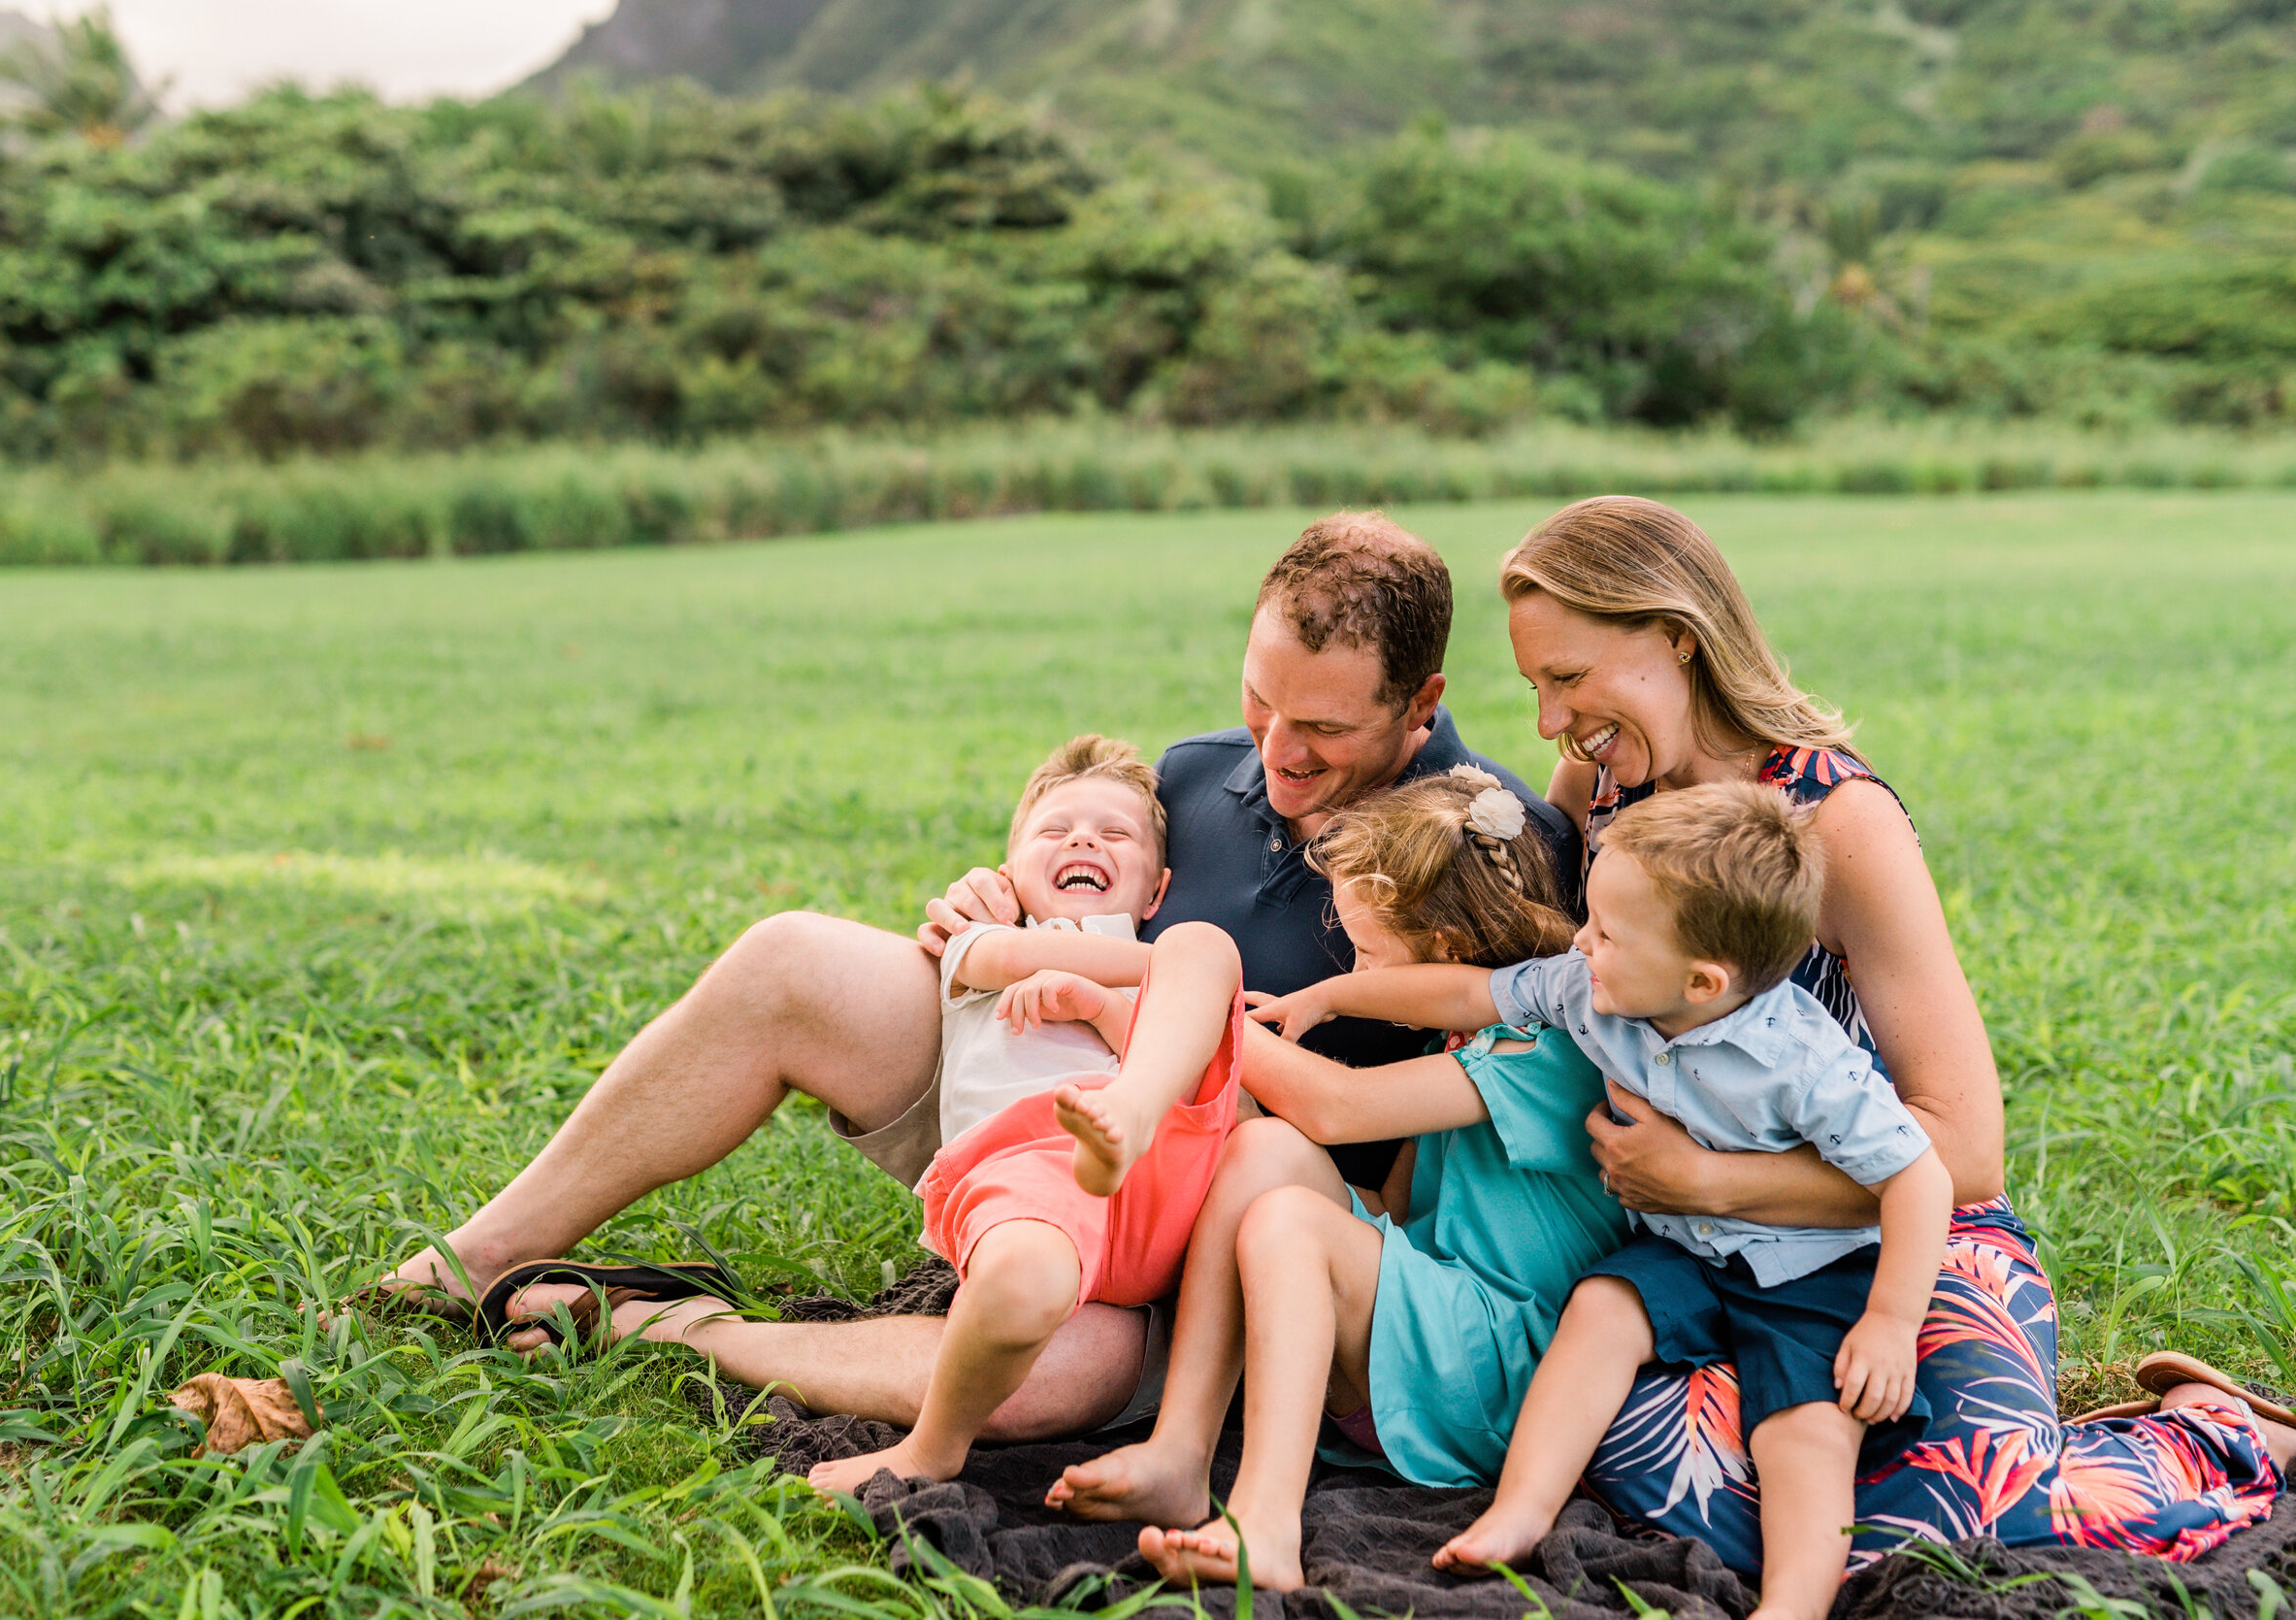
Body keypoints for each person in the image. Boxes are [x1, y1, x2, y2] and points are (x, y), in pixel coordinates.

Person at [350, 512, 1575, 1440]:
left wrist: (1157, 1023)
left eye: (1322, 732)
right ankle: (470, 1260)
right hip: (1027, 1105)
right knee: (792, 959)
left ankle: (668, 1324)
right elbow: (1090, 882)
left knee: (1066, 1377)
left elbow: (1460, 1135)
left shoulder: (1499, 849)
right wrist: (990, 909)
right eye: (1260, 704)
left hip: (1206, 1230)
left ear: (1420, 705)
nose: (1276, 752)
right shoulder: (1199, 774)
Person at [1501, 496, 2286, 1567]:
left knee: (1959, 1520)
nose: (1550, 720)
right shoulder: (1602, 788)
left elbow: (1962, 1152)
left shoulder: (1838, 821)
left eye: (1567, 677)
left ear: (1674, 634)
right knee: (1652, 1466)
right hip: (1701, 1251)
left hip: (1901, 1232)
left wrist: (1713, 1180)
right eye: (1534, 686)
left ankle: (2214, 1432)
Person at [1263, 781, 1951, 1620]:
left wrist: (1889, 1322)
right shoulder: (1595, 991)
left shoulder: (1803, 1057)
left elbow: (1918, 1175)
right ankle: (1521, 1507)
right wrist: (1333, 995)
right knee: (1599, 1309)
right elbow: (1467, 996)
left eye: (1606, 933)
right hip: (1684, 1247)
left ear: (1702, 980)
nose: (1579, 941)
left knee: (1804, 1425)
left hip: (1806, 1267)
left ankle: (1795, 1602)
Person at [1048, 770, 1626, 1591]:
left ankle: (1265, 1522)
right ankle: (1181, 1449)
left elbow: (1338, 1104)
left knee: (1291, 1216)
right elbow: (1395, 1207)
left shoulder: (1547, 1051)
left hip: (1509, 1377)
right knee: (1262, 1156)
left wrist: (1195, 1011)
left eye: (1368, 949)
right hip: (1434, 1328)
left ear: (1448, 951)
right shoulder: (1456, 1045)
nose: (1354, 969)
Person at [798, 737, 1250, 1494]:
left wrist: (1136, 987)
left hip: (1155, 1183)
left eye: (1115, 835)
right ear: (1006, 877)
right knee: (1020, 1285)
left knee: (1204, 946)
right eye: (1057, 830)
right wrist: (1165, 976)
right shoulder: (981, 944)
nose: (1083, 840)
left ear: (1156, 890)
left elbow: (1194, 1020)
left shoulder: (1170, 946)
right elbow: (1009, 961)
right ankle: (930, 1448)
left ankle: (1127, 1117)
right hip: (1031, 1170)